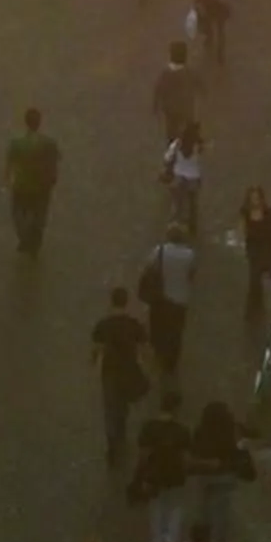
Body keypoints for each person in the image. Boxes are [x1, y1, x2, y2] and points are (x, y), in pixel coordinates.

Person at [91, 285, 152, 464]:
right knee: (123, 404)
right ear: (126, 302)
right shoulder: (133, 324)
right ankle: (121, 431)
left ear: (112, 302)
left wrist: (93, 362)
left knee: (110, 406)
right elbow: (144, 349)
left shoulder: (103, 325)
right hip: (128, 370)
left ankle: (112, 441)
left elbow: (97, 348)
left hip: (109, 371)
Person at [131, 392, 195, 542]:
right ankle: (171, 539)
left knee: (156, 508)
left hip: (155, 475)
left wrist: (139, 474)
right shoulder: (182, 431)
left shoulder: (149, 428)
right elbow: (186, 458)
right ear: (177, 409)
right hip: (175, 475)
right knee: (175, 507)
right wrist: (187, 471)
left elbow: (143, 454)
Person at [189, 399, 257, 542]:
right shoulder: (232, 430)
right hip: (226, 476)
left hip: (204, 475)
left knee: (203, 511)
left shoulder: (200, 430)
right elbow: (251, 436)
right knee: (221, 513)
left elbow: (193, 451)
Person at [139, 224, 197, 387]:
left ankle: (159, 353)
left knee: (158, 327)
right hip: (180, 299)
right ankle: (171, 362)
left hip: (160, 298)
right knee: (176, 331)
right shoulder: (189, 255)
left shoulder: (160, 250)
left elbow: (148, 267)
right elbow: (191, 274)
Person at [5, 106, 63, 254]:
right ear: (39, 122)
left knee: (18, 212)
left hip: (22, 184)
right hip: (42, 184)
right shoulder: (49, 143)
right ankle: (35, 239)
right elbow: (55, 161)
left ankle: (24, 237)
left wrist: (8, 178)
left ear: (26, 122)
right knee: (40, 213)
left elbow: (10, 163)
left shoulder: (17, 143)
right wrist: (53, 177)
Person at [240, 185, 271, 324]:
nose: (255, 201)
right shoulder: (246, 214)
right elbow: (243, 230)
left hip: (266, 248)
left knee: (259, 277)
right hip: (253, 250)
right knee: (254, 278)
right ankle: (253, 308)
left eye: (257, 198)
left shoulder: (269, 213)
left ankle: (256, 307)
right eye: (253, 198)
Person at [162, 123, 206, 234]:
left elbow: (167, 157)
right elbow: (200, 159)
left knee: (177, 203)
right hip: (193, 177)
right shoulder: (198, 146)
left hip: (178, 176)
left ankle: (174, 226)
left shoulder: (177, 144)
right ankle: (192, 227)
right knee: (193, 204)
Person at [154, 41, 202, 142]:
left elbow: (158, 90)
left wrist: (156, 106)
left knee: (171, 132)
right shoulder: (190, 73)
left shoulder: (165, 74)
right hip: (186, 108)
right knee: (188, 131)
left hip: (170, 110)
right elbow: (200, 85)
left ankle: (171, 149)